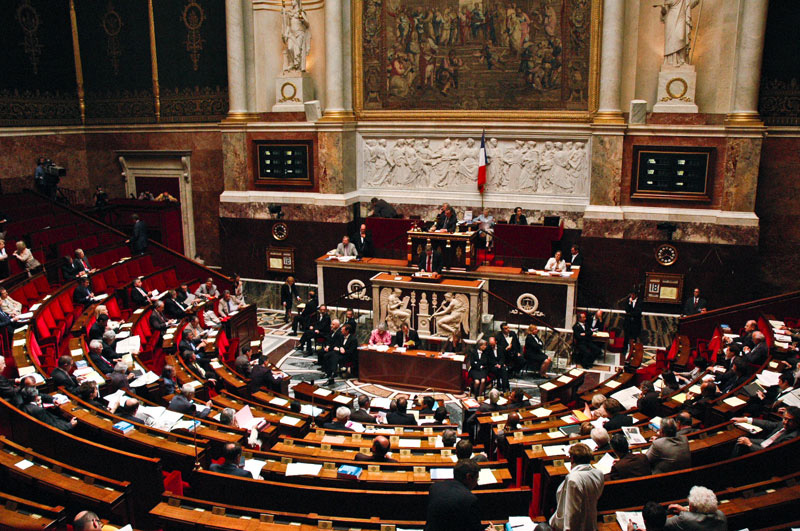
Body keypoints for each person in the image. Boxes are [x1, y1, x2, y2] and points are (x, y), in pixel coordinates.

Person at [549, 443, 604, 531]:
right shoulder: (598, 473)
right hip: (591, 522)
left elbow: (572, 513)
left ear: (572, 459)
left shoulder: (573, 479)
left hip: (578, 526)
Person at [425, 459, 489, 531]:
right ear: (468, 477)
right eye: (477, 478)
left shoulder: (435, 487)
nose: (477, 483)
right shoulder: (470, 500)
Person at [731, 406, 800, 455]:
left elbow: (772, 453)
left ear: (797, 421)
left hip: (768, 454)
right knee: (740, 441)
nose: (785, 422)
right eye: (785, 419)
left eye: (790, 420)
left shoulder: (792, 437)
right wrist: (745, 419)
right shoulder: (784, 424)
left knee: (742, 442)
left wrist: (749, 444)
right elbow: (767, 424)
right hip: (766, 443)